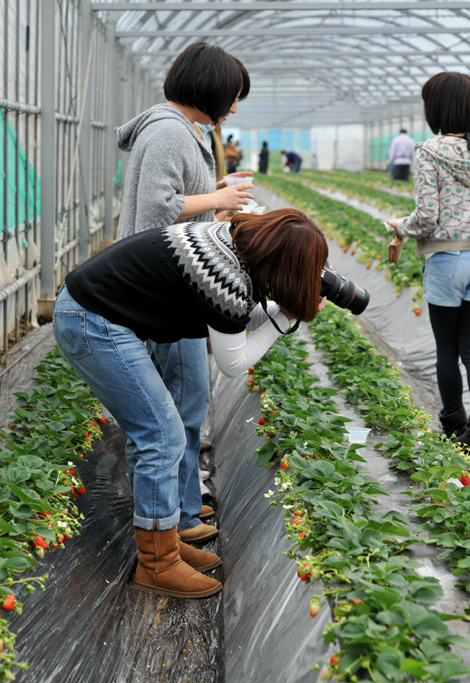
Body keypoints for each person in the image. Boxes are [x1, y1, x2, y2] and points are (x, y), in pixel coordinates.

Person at [52, 208, 329, 599]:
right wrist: (284, 319)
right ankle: (157, 564)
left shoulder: (229, 247)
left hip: (95, 311)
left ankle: (162, 541)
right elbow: (232, 360)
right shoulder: (227, 276)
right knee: (161, 435)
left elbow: (234, 320)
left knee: (159, 434)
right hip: (91, 321)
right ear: (284, 265)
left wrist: (281, 311)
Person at [115, 42, 253, 545]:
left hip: (173, 287)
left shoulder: (181, 131)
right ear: (211, 89)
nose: (234, 108)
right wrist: (217, 197)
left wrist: (211, 210)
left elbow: (174, 213)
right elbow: (156, 212)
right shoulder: (171, 132)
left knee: (185, 405)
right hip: (165, 294)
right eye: (233, 96)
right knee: (181, 405)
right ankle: (180, 518)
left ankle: (185, 504)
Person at [387, 72, 470, 448]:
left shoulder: (430, 150)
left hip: (445, 261)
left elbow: (427, 218)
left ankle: (454, 425)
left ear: (435, 108)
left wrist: (399, 227)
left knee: (448, 349)